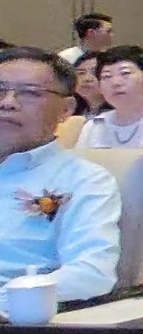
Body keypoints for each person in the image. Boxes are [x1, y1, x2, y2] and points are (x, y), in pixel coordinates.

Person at [0, 46, 124, 300]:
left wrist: (13, 299)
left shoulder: (84, 180)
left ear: (66, 108)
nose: (7, 103)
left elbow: (91, 273)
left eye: (29, 93)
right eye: (0, 90)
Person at [70, 51, 104, 117]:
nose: (87, 79)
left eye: (95, 72)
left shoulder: (120, 111)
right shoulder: (69, 113)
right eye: (81, 73)